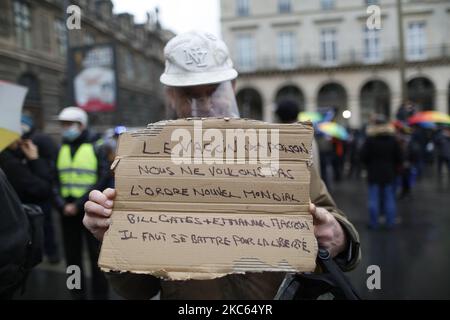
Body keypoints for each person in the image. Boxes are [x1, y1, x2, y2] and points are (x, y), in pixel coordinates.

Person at [83, 31, 361, 299]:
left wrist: (338, 236)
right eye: (190, 94)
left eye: (214, 90)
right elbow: (138, 289)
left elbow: (331, 223)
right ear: (171, 96)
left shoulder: (278, 152)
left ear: (233, 87)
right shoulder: (149, 167)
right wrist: (114, 237)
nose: (205, 105)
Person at [54, 106, 109, 299]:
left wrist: (78, 204)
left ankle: (100, 295)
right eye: (63, 124)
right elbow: (55, 179)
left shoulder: (96, 145)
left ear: (81, 125)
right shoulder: (62, 147)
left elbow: (102, 177)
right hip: (66, 211)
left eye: (69, 124)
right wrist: (61, 204)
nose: (65, 128)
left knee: (96, 257)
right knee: (72, 257)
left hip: (89, 209)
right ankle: (76, 293)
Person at [21, 114, 61, 263]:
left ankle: (51, 253)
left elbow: (51, 166)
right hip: (30, 190)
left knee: (45, 224)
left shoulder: (40, 140)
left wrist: (35, 159)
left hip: (42, 190)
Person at [360, 115, 403, 229]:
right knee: (390, 198)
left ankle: (374, 223)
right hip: (389, 172)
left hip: (374, 172)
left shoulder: (370, 140)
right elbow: (399, 157)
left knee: (373, 199)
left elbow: (363, 156)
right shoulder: (392, 139)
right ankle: (390, 222)